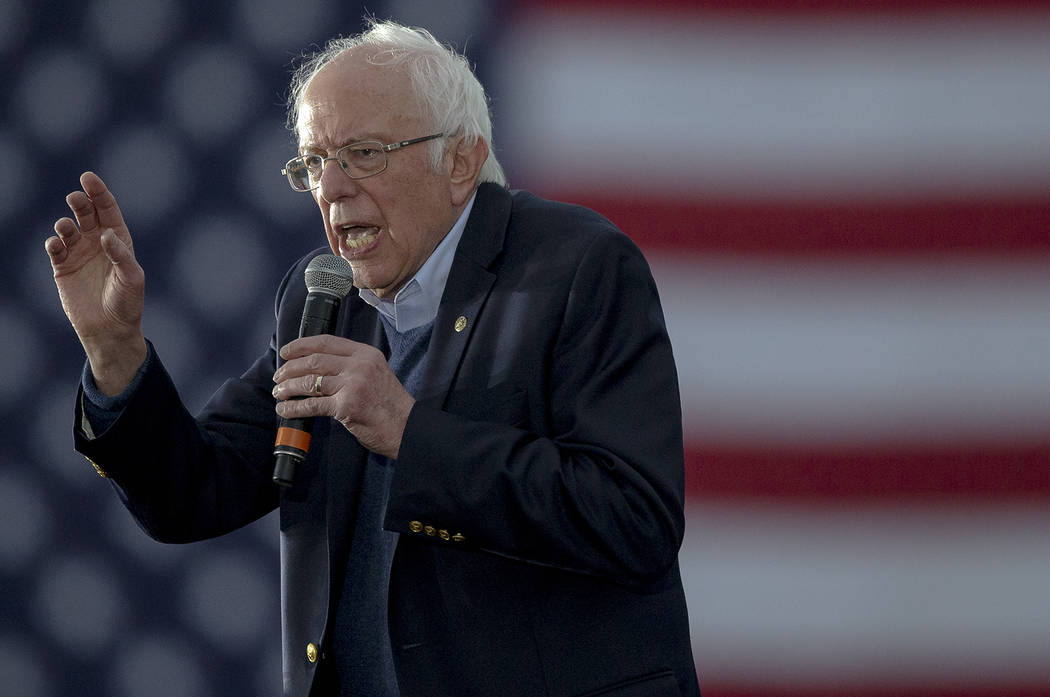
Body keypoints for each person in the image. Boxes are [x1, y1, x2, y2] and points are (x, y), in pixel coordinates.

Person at [45, 19, 700, 697]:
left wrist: (409, 433)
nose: (331, 189)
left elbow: (633, 518)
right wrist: (114, 348)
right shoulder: (319, 294)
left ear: (460, 162)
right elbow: (192, 493)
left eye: (362, 153)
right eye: (315, 163)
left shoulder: (575, 268)